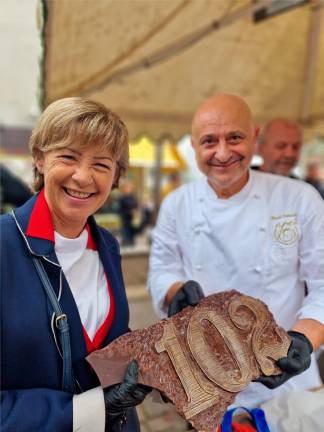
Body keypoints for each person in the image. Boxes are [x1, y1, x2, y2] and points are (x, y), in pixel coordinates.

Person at [148, 93, 324, 408]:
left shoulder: (300, 198)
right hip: (210, 378)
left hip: (288, 380)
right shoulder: (178, 204)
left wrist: (304, 339)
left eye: (235, 138)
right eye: (209, 141)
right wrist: (175, 290)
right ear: (194, 146)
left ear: (255, 137)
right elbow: (161, 268)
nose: (222, 152)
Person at [0, 97, 151, 431]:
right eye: (68, 157)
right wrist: (87, 410)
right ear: (39, 159)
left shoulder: (107, 246)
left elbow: (102, 337)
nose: (83, 177)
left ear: (115, 176)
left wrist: (151, 360)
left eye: (101, 164)